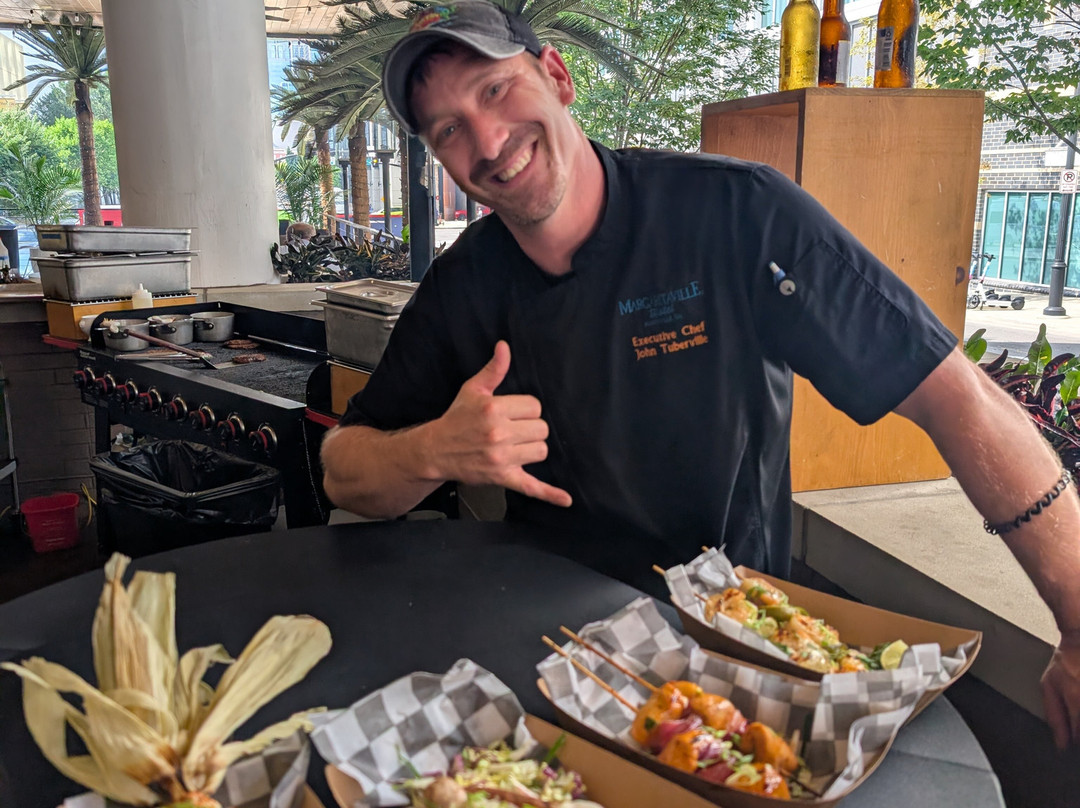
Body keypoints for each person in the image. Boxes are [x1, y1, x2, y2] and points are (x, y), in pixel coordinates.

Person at [319, 0, 1080, 747]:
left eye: (496, 89)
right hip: (554, 661)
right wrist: (433, 451)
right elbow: (343, 470)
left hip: (733, 652)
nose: (488, 141)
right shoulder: (464, 282)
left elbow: (957, 398)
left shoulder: (737, 214)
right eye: (449, 130)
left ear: (557, 76)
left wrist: (1076, 620)